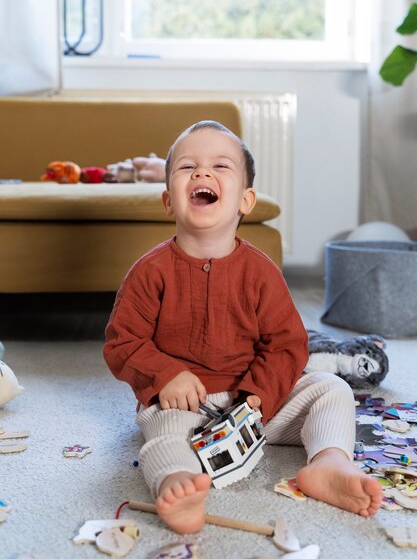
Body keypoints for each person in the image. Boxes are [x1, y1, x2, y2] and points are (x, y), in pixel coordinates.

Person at [103, 121, 382, 534]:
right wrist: (165, 376)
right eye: (186, 168)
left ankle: (327, 463)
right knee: (161, 432)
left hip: (253, 406)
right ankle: (176, 483)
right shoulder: (150, 272)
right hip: (184, 405)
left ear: (245, 200)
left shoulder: (260, 272)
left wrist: (260, 394)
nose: (201, 174)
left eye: (220, 165)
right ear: (167, 201)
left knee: (331, 389)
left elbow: (287, 342)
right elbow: (122, 343)